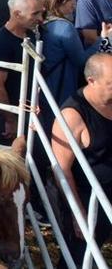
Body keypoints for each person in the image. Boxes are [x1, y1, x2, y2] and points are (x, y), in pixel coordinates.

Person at [51, 53, 112, 263]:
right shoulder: (72, 116)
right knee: (79, 256)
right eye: (110, 83)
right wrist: (78, 214)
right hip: (88, 196)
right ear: (91, 81)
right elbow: (61, 169)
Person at [39, 0, 112, 133]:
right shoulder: (65, 28)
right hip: (62, 86)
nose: (75, 2)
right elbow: (82, 61)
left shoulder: (43, 23)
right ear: (60, 2)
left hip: (46, 85)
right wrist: (103, 38)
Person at [0, 0, 46, 145]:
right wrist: (10, 119)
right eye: (35, 14)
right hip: (7, 114)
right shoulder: (1, 43)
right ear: (17, 14)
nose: (40, 19)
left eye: (41, 13)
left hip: (26, 109)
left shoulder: (31, 34)